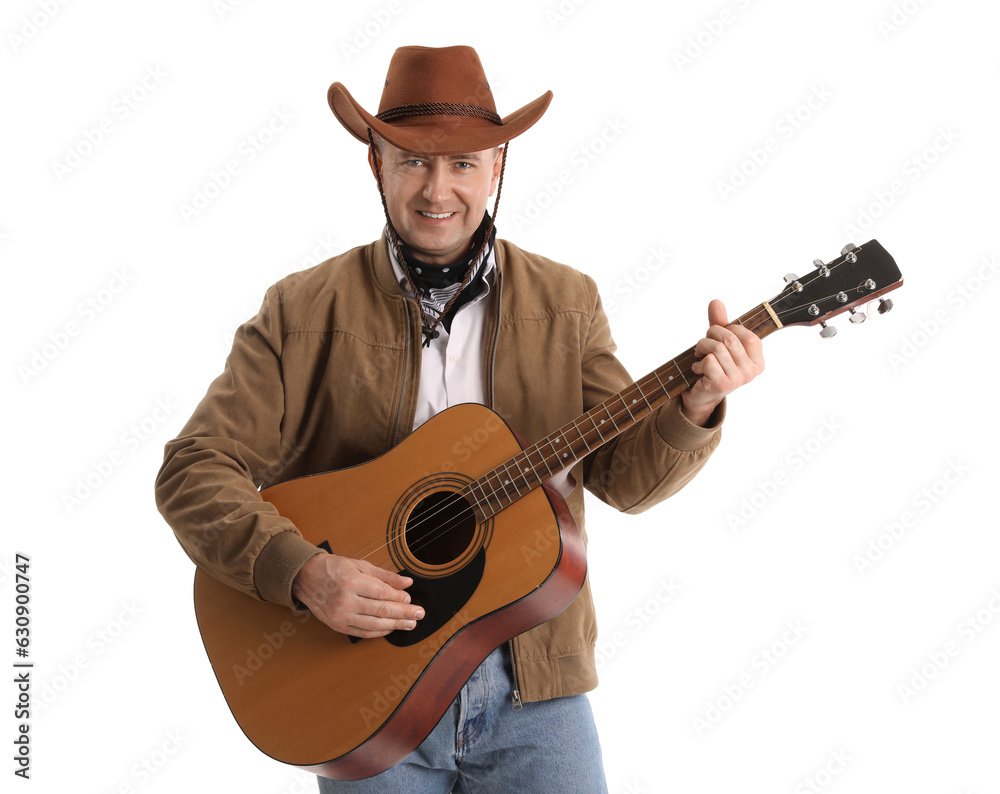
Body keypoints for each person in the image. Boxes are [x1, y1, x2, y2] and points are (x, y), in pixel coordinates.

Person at [155, 45, 764, 792]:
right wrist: (303, 572)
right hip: (363, 688)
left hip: (535, 686)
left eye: (464, 164)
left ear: (498, 166)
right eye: (411, 161)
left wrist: (696, 407)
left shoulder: (568, 302)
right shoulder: (301, 309)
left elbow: (625, 481)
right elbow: (193, 470)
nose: (437, 189)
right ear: (373, 163)